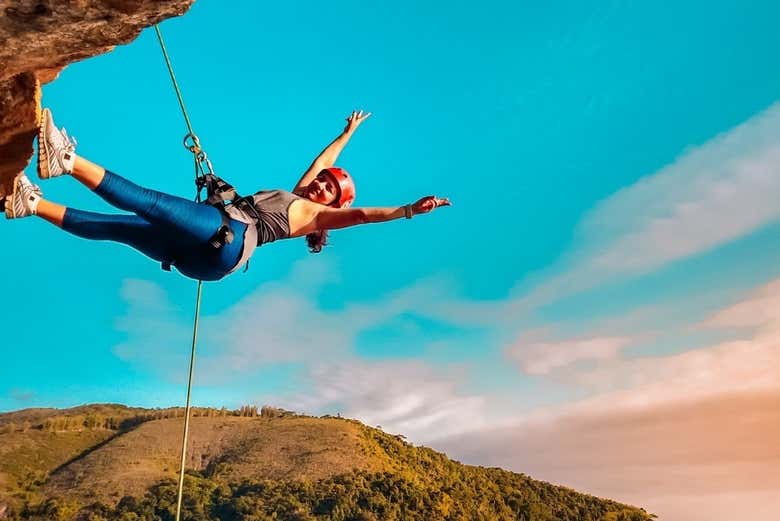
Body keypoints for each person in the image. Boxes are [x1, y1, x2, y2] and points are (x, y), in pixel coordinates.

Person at [2, 109, 450, 281]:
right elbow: (321, 161)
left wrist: (409, 209)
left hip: (229, 239)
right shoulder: (300, 192)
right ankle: (32, 204)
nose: (321, 184)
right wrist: (346, 133)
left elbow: (365, 215)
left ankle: (66, 161)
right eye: (325, 180)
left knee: (152, 203)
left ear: (334, 204)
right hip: (210, 259)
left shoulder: (318, 217)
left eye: (330, 189)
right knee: (122, 228)